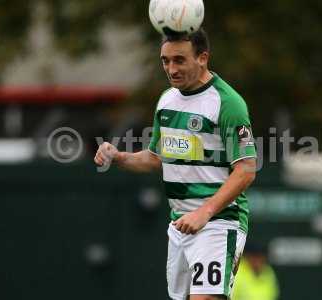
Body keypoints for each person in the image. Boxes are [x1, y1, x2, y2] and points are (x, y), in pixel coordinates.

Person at [94, 28, 257, 300]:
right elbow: (156, 157)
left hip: (218, 223)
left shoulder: (228, 103)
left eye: (179, 60)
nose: (171, 68)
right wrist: (120, 157)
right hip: (180, 225)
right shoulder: (167, 101)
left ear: (202, 58)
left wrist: (204, 213)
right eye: (165, 61)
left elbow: (246, 169)